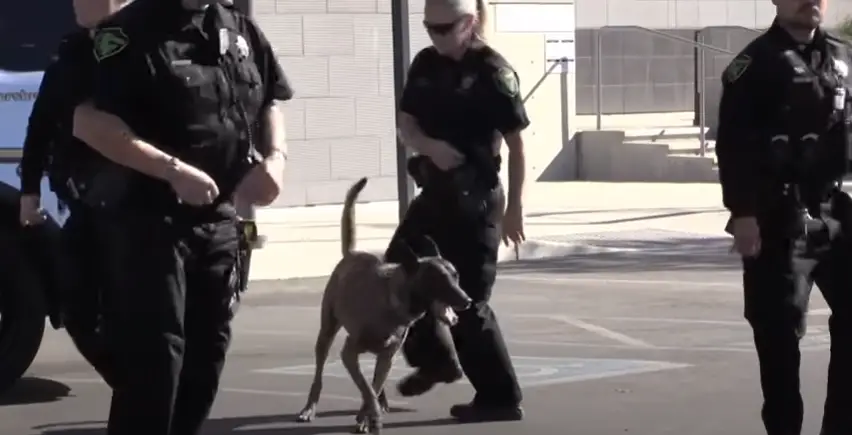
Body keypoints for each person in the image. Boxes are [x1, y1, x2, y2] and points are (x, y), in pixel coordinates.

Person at [71, 0, 291, 433]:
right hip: (151, 225)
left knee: (206, 360)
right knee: (156, 365)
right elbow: (87, 121)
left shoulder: (239, 30)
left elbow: (269, 102)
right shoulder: (127, 35)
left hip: (221, 222)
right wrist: (172, 171)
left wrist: (276, 160)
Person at [386, 0, 528, 423]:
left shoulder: (492, 70)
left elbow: (517, 143)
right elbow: (406, 123)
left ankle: (500, 396)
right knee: (399, 271)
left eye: (445, 28)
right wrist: (428, 147)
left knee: (468, 300)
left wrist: (515, 208)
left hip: (477, 200)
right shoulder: (426, 65)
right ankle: (435, 359)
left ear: (469, 24)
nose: (436, 36)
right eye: (430, 28)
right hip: (434, 194)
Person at [715, 0, 852, 434]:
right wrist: (743, 214)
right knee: (778, 342)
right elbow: (733, 146)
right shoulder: (754, 64)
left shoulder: (842, 55)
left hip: (835, 213)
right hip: (776, 217)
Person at [18, 0, 131, 387]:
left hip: (140, 206)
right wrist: (29, 190)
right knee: (77, 305)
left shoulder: (146, 47)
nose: (75, 3)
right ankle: (132, 388)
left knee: (146, 314)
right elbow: (42, 122)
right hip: (86, 203)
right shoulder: (73, 53)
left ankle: (150, 399)